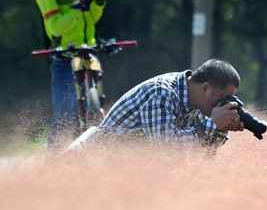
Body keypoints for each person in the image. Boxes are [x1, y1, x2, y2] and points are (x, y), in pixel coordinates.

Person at [68, 59, 245, 154]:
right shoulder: (161, 93)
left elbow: (202, 153)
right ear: (205, 88)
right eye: (224, 98)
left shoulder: (197, 104)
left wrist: (221, 129)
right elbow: (165, 149)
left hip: (131, 166)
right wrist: (212, 124)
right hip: (99, 162)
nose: (225, 104)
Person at [35, 0, 115, 148]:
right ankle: (52, 165)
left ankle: (82, 163)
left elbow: (90, 19)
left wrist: (98, 1)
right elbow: (55, 28)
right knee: (65, 117)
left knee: (95, 113)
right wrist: (83, 3)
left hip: (88, 54)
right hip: (65, 58)